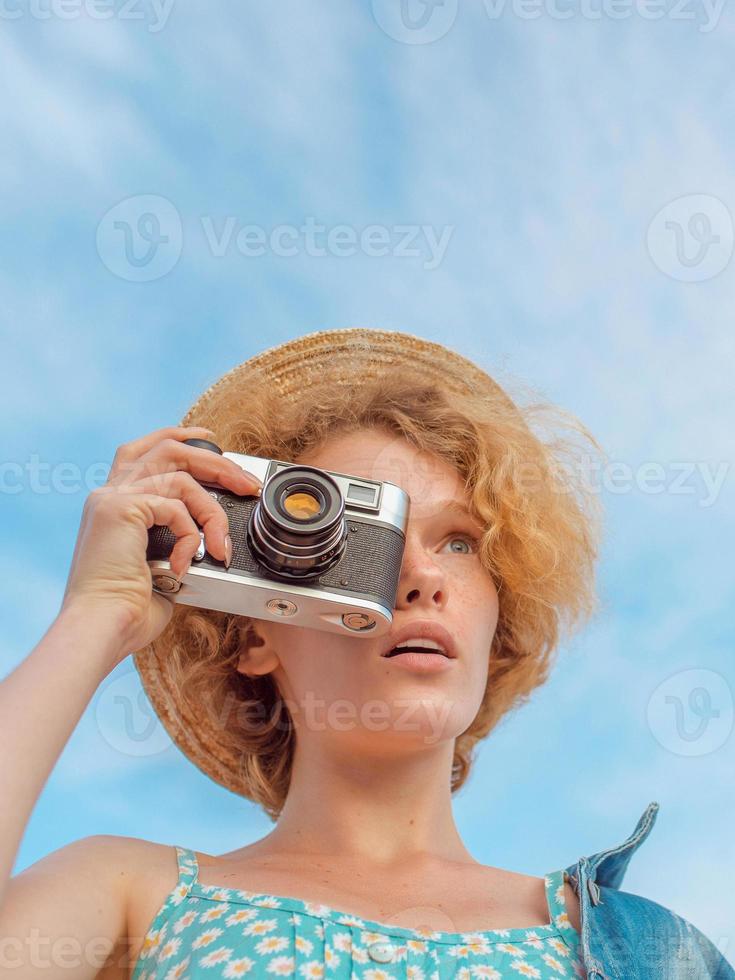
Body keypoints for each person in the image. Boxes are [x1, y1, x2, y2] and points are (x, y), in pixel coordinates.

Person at [1, 329, 730, 979]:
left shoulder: (647, 952)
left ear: (499, 615)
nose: (422, 578)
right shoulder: (130, 895)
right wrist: (95, 616)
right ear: (256, 629)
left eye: (460, 543)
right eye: (363, 544)